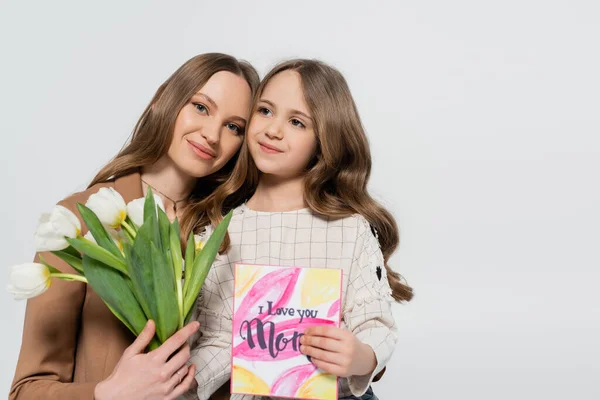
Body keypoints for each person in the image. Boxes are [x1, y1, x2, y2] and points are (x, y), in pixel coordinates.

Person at [10, 52, 259, 400]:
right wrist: (107, 393)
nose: (212, 135)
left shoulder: (230, 236)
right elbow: (26, 390)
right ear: (162, 101)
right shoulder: (81, 220)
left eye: (234, 127)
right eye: (201, 107)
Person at [188, 59, 413, 400]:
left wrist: (360, 356)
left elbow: (375, 324)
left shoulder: (348, 230)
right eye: (265, 111)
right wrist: (184, 383)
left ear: (325, 139)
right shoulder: (219, 229)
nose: (273, 129)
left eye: (296, 122)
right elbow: (221, 339)